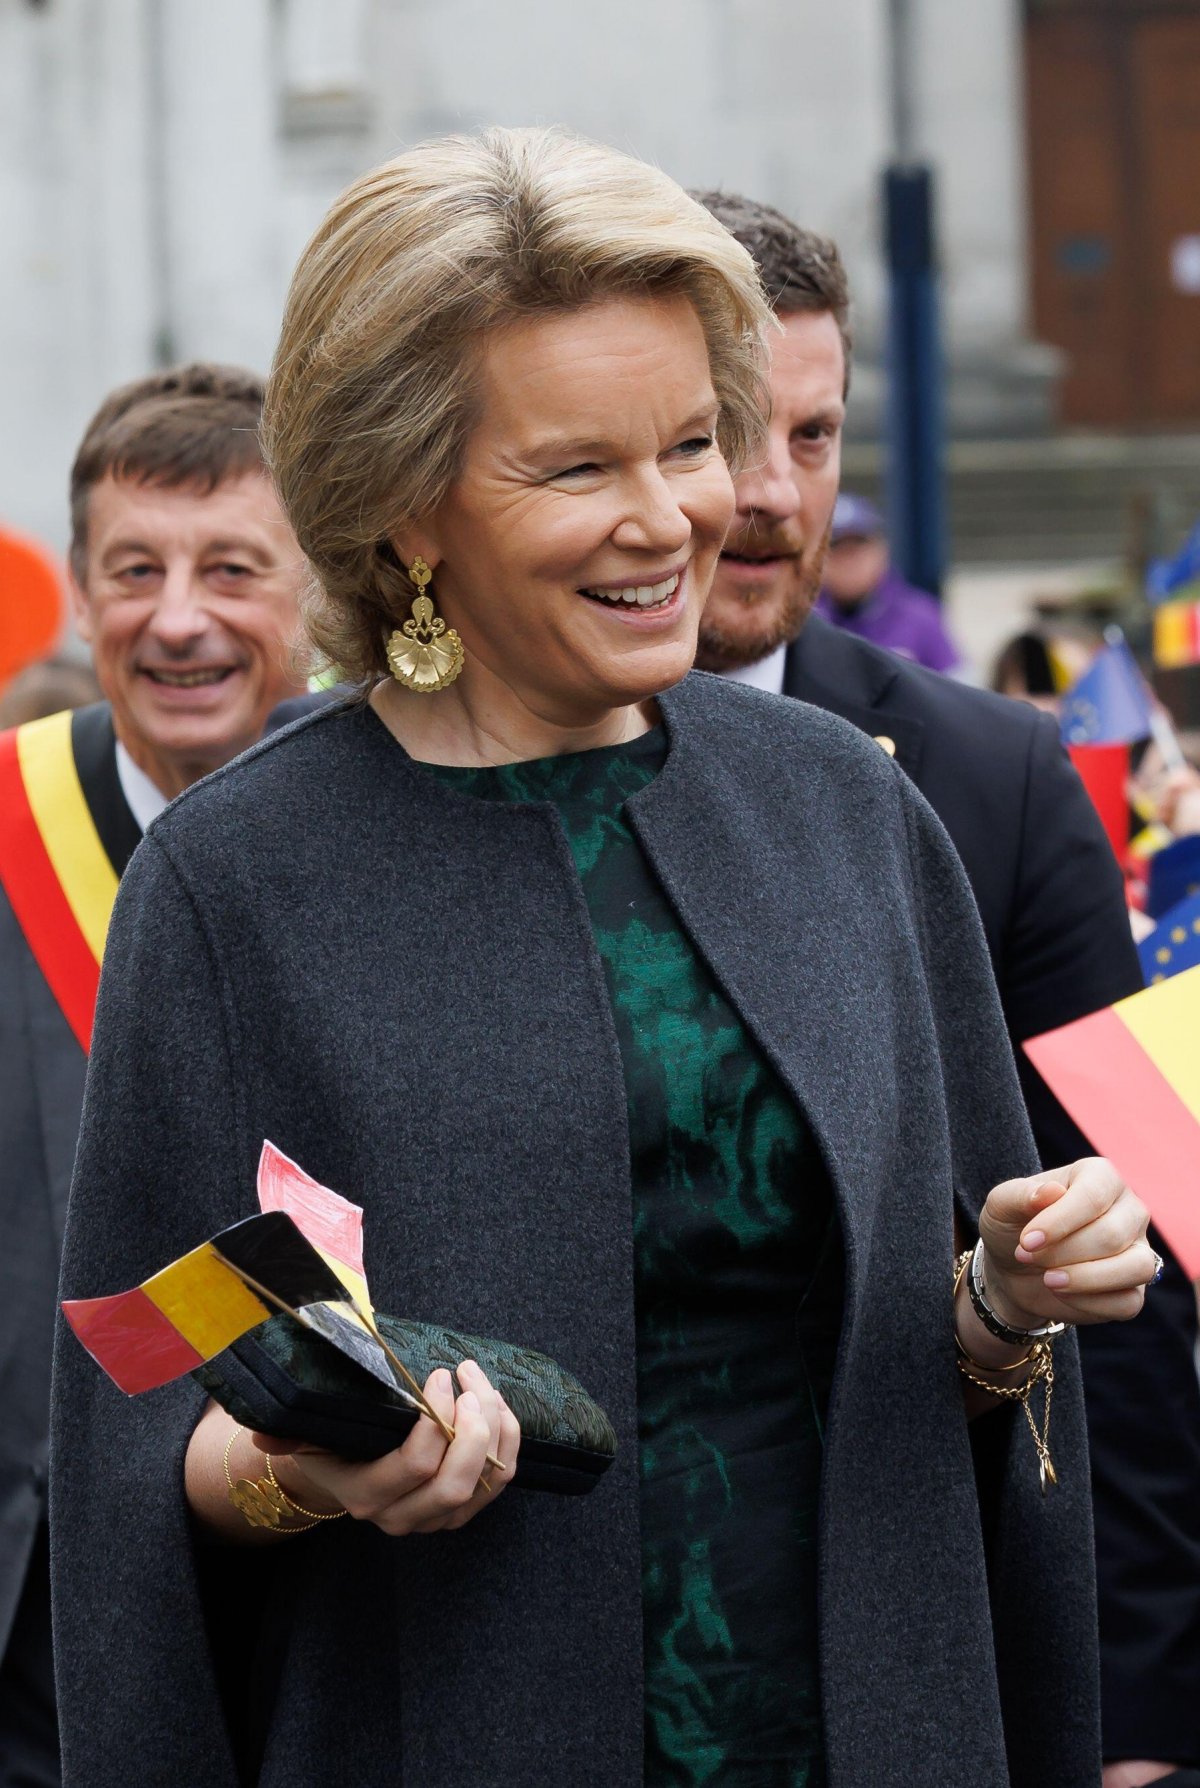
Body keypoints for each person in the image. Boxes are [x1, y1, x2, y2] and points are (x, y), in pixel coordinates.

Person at [51, 129, 1153, 1788]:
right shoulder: (233, 880)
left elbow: (940, 1350)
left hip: (874, 1725)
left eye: (693, 442)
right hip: (444, 1723)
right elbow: (134, 1404)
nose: (677, 519)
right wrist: (309, 1467)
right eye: (576, 468)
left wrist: (1011, 1291)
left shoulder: (850, 813)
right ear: (407, 507)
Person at [694, 189, 1200, 1788]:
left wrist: (1140, 1701)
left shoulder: (999, 775)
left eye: (821, 434)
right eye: (722, 434)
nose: (777, 496)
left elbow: (1130, 1253)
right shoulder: (439, 774)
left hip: (937, 1622)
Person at [0, 363, 307, 1787]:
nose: (178, 617)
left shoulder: (419, 832)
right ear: (81, 584)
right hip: (38, 1617)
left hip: (349, 1586)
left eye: (233, 567)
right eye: (136, 569)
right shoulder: (13, 830)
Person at [814, 489, 962, 673]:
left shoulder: (919, 616)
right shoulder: (804, 620)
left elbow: (961, 683)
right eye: (837, 549)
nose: (849, 562)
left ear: (880, 551)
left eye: (857, 548)